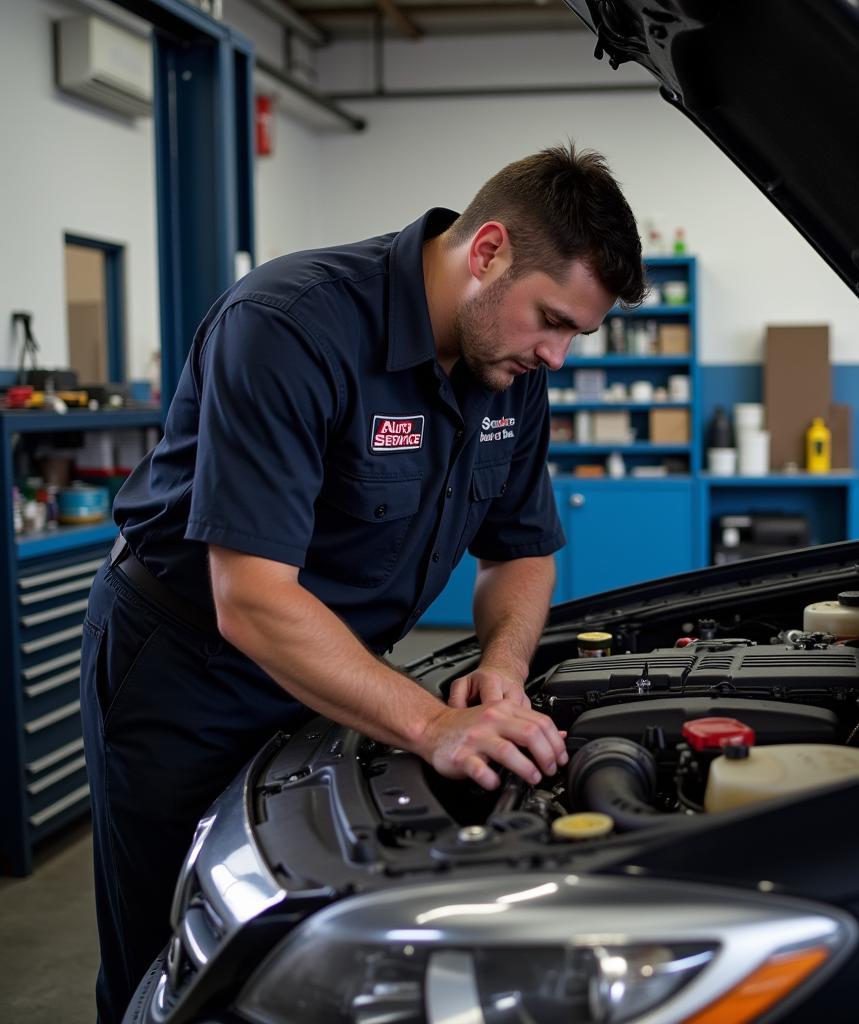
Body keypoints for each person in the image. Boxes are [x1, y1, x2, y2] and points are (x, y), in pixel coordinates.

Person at [79, 142, 646, 1023]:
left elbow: (522, 549)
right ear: (488, 250)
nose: (559, 356)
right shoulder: (291, 325)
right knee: (178, 951)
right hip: (188, 671)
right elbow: (254, 597)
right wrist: (433, 724)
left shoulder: (508, 370)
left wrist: (504, 663)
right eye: (553, 319)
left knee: (294, 945)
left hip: (336, 668)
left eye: (576, 331)